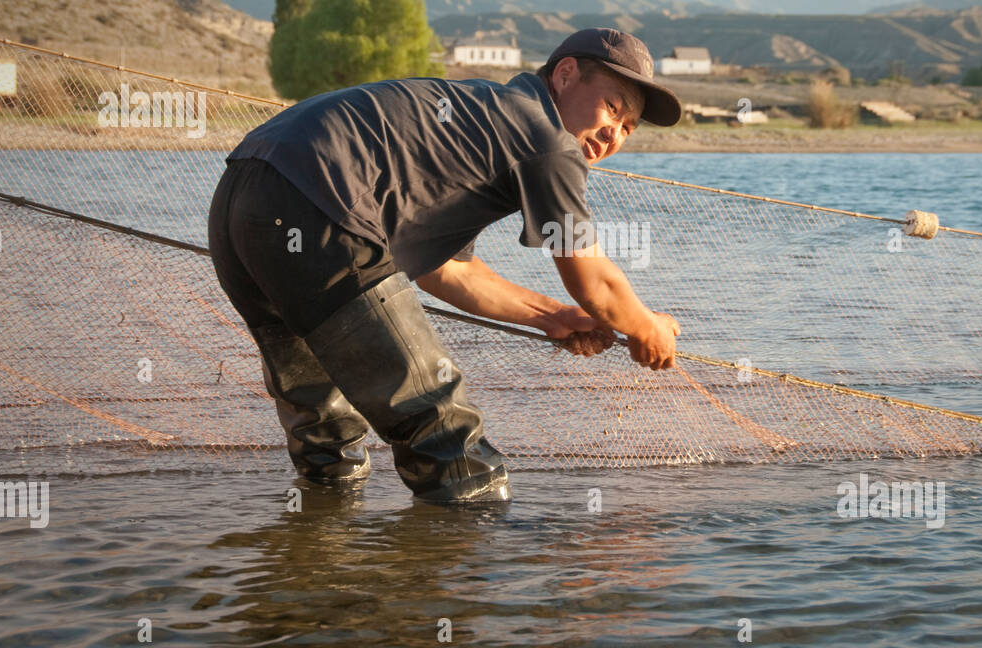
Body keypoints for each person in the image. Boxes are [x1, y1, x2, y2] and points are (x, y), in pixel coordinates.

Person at [207, 27, 682, 503]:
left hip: (241, 202)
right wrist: (646, 326)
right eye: (613, 107)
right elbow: (593, 281)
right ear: (564, 75)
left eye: (628, 128)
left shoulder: (486, 120)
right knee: (446, 437)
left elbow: (448, 271)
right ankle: (466, 568)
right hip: (318, 203)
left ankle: (313, 558)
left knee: (325, 431)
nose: (613, 134)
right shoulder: (547, 138)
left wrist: (554, 317)